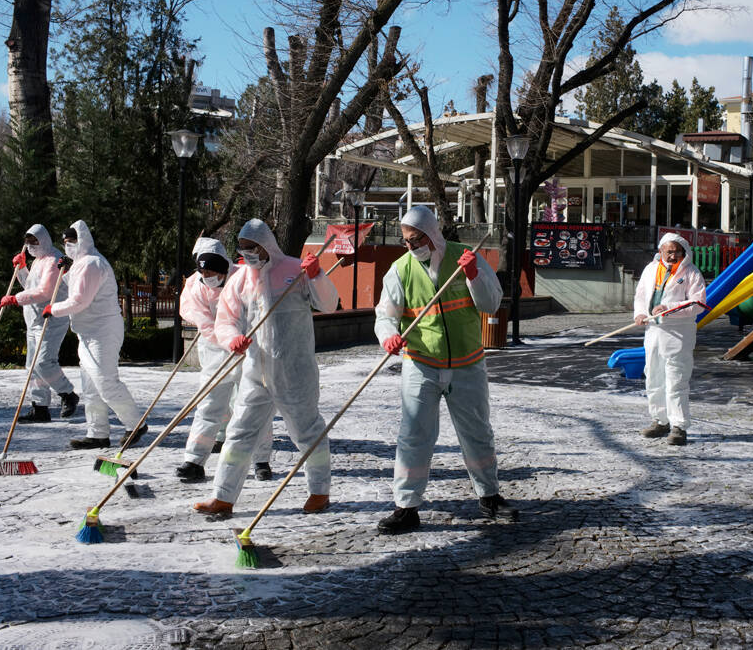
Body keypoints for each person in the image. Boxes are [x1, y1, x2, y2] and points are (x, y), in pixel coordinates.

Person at [373, 205, 514, 535]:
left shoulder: (465, 257)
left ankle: (489, 496)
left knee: (477, 431)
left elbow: (490, 304)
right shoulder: (400, 270)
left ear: (432, 233)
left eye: (416, 239)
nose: (411, 246)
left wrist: (474, 277)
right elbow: (385, 314)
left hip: (467, 363)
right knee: (414, 435)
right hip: (421, 363)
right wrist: (389, 336)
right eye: (406, 241)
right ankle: (406, 507)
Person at [192, 219, 338, 516]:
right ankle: (223, 495)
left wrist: (317, 275)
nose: (248, 254)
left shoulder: (295, 270)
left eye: (252, 248)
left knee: (307, 432)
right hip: (256, 370)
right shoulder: (241, 279)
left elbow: (329, 304)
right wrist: (233, 339)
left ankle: (320, 491)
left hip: (295, 372)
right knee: (239, 431)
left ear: (266, 245)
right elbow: (226, 319)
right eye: (243, 249)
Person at [175, 237, 272, 482]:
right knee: (209, 407)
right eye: (203, 271)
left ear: (225, 267)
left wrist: (250, 336)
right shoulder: (196, 287)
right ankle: (194, 460)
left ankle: (261, 460)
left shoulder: (244, 278)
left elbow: (262, 309)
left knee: (252, 406)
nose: (208, 276)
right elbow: (206, 324)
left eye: (213, 271)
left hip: (250, 350)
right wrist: (228, 340)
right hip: (217, 353)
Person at [44, 221, 143, 450]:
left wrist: (54, 309)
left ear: (83, 240)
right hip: (86, 331)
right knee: (90, 386)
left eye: (73, 242)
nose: (69, 247)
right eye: (66, 243)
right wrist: (66, 272)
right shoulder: (81, 264)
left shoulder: (92, 263)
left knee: (105, 381)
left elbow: (80, 300)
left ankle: (135, 424)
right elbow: (77, 287)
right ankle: (97, 432)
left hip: (102, 331)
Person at [0, 224, 79, 422]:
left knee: (43, 362)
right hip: (32, 320)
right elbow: (30, 287)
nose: (31, 245)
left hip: (51, 319)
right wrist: (21, 269)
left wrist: (15, 299)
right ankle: (40, 407)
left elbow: (45, 292)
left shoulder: (53, 260)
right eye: (28, 242)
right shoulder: (38, 261)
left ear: (44, 240)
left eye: (35, 241)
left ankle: (68, 393)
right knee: (32, 366)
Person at [632, 233, 706, 446]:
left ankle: (679, 426)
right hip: (653, 332)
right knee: (653, 377)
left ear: (684, 252)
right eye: (669, 251)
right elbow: (640, 295)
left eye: (677, 251)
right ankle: (660, 420)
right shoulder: (650, 269)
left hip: (679, 333)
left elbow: (699, 303)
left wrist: (669, 309)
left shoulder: (691, 273)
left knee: (676, 379)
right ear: (661, 251)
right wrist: (639, 313)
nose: (673, 255)